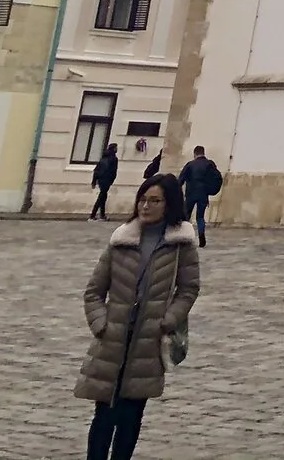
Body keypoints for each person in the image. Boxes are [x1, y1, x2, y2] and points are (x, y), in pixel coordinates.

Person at [77, 174, 200, 460]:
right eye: (143, 199)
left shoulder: (180, 245)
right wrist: (100, 323)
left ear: (169, 204)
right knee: (103, 415)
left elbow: (189, 289)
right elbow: (94, 291)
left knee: (131, 416)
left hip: (148, 341)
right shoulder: (122, 240)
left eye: (154, 200)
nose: (146, 206)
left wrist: (168, 320)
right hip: (113, 338)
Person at [176, 147, 222, 247]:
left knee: (186, 216)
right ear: (203, 153)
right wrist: (211, 190)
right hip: (203, 194)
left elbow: (181, 180)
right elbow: (217, 177)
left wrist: (176, 192)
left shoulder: (190, 165)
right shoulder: (209, 164)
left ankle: (184, 236)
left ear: (195, 154)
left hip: (191, 193)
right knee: (200, 217)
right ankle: (201, 238)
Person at [89, 142, 120, 220]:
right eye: (116, 148)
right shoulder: (114, 159)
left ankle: (102, 215)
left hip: (100, 179)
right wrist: (112, 180)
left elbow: (97, 170)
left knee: (103, 196)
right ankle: (93, 215)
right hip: (107, 179)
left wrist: (94, 181)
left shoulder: (104, 157)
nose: (117, 149)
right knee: (101, 197)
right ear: (114, 149)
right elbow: (113, 171)